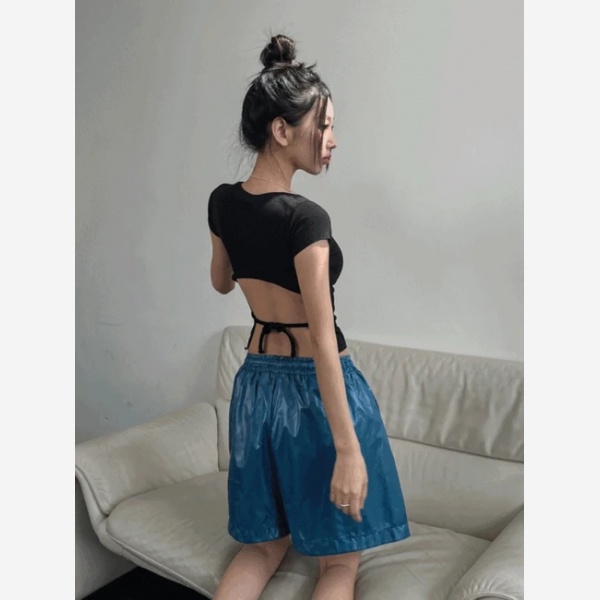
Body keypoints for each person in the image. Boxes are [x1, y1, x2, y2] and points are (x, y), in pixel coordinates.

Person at [208, 34, 410, 600]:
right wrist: (348, 451)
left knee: (262, 548)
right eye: (324, 126)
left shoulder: (221, 201)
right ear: (282, 130)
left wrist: (243, 247)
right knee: (339, 564)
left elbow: (221, 281)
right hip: (317, 397)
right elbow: (322, 341)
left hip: (255, 387)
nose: (332, 140)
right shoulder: (306, 219)